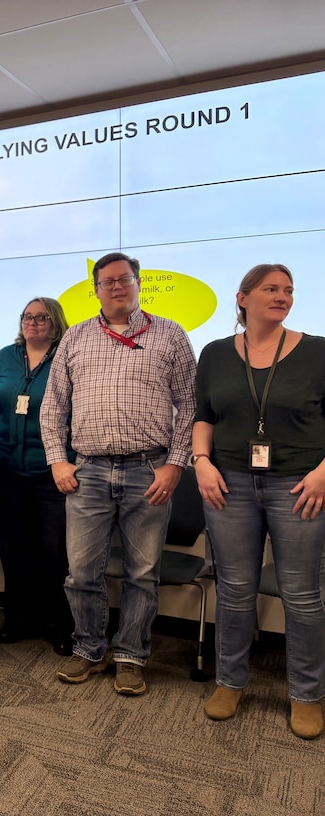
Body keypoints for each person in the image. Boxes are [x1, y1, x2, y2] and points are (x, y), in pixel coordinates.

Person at [40, 251, 196, 696]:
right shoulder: (75, 339)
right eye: (107, 282)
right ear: (96, 289)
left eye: (124, 279)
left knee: (142, 574)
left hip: (150, 470)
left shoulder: (170, 335)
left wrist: (175, 463)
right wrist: (57, 459)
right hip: (87, 472)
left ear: (138, 282)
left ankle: (130, 655)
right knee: (81, 572)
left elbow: (189, 404)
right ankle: (89, 647)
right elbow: (54, 406)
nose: (116, 287)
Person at [193, 263, 325, 739]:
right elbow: (203, 415)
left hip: (300, 486)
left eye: (288, 290)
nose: (282, 296)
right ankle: (230, 682)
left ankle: (307, 695)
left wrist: (322, 475)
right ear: (243, 297)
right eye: (270, 288)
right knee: (234, 590)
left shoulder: (317, 352)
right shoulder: (214, 354)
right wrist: (201, 462)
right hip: (228, 483)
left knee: (302, 596)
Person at [0, 298, 74, 655]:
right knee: (13, 546)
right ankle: (18, 619)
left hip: (51, 470)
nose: (33, 323)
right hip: (6, 469)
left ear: (55, 322)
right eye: (27, 317)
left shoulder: (67, 355)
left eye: (42, 317)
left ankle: (58, 624)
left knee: (54, 551)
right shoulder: (5, 356)